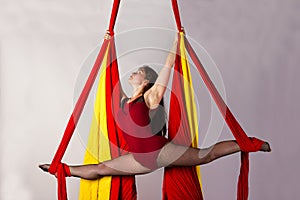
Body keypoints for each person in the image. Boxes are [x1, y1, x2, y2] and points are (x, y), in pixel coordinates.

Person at [39, 31, 271, 180]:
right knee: (101, 169)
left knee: (204, 156)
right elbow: (110, 72)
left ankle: (250, 143)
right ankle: (62, 170)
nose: (134, 73)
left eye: (138, 72)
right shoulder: (121, 100)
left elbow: (168, 67)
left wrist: (177, 40)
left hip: (159, 152)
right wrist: (108, 45)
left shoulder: (150, 98)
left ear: (147, 80)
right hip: (138, 159)